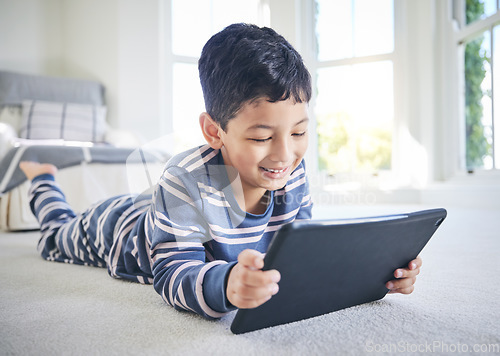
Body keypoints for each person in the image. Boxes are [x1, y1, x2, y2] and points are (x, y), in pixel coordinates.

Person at [19, 23, 422, 320]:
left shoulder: (290, 172)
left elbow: (302, 250)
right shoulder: (183, 179)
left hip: (170, 211)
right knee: (56, 236)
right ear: (215, 131)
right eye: (262, 136)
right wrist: (226, 285)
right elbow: (173, 274)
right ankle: (43, 178)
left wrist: (380, 272)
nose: (285, 154)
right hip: (121, 229)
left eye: (299, 131)